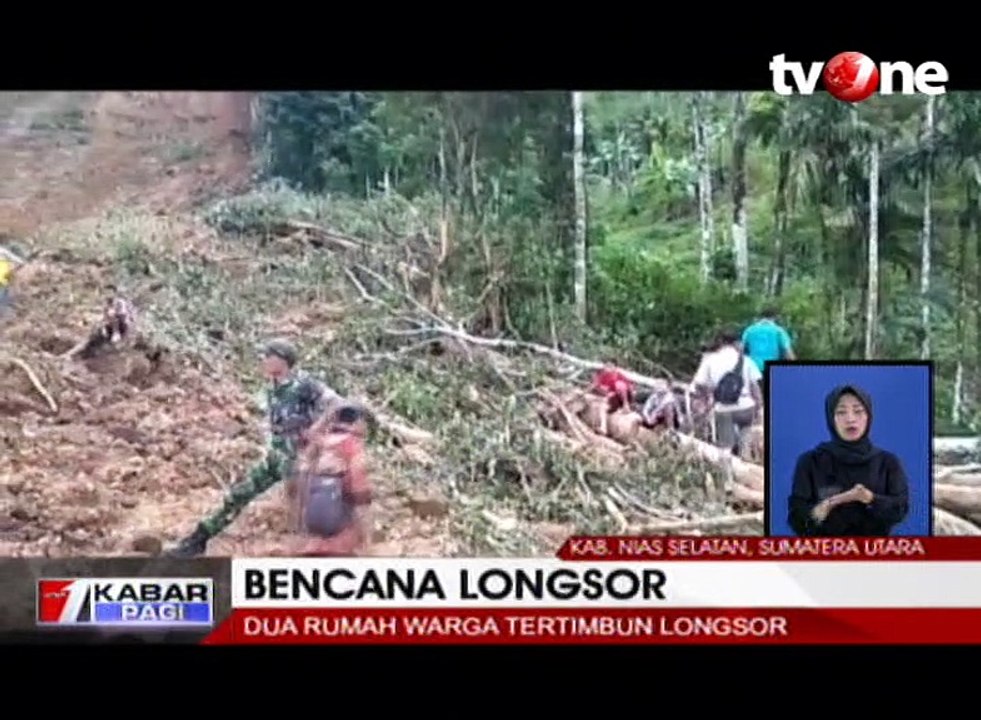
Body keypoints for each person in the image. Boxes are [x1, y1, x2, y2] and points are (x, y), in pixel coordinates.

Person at [166, 338, 339, 556]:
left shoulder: (304, 385)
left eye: (267, 356)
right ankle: (198, 540)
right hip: (277, 456)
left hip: (299, 457)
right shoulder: (272, 388)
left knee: (304, 512)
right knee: (239, 494)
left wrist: (317, 430)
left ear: (281, 359)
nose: (263, 361)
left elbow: (337, 404)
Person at [787, 384, 909, 537]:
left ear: (868, 416)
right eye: (841, 412)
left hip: (874, 554)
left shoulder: (887, 462)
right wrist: (818, 512)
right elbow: (796, 518)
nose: (850, 419)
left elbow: (900, 509)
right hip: (826, 554)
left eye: (858, 411)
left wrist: (870, 498)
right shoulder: (810, 461)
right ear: (831, 418)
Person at [286, 404, 373, 556]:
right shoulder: (350, 443)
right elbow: (358, 481)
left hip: (309, 513)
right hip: (332, 508)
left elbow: (297, 475)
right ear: (357, 423)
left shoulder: (319, 443)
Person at [691, 329, 763, 456]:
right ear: (738, 343)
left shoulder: (711, 360)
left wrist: (708, 398)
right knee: (745, 442)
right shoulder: (746, 361)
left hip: (723, 409)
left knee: (725, 449)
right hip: (746, 407)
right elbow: (755, 388)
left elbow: (699, 384)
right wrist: (758, 408)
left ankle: (728, 473)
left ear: (721, 342)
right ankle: (745, 458)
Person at [742, 307, 795, 376]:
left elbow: (741, 349)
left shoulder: (749, 330)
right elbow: (788, 351)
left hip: (753, 368)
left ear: (761, 317)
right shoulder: (779, 331)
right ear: (774, 317)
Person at [590, 361, 635, 436]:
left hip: (622, 397)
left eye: (610, 366)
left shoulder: (619, 375)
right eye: (607, 366)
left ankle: (625, 406)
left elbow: (627, 388)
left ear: (615, 367)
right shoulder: (603, 376)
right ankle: (603, 427)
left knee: (619, 385)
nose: (608, 368)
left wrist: (626, 402)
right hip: (613, 398)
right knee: (602, 407)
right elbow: (601, 389)